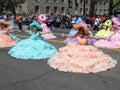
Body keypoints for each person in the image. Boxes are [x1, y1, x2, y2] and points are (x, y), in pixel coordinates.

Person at [47, 23, 117, 73]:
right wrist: (65, 35)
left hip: (86, 48)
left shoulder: (86, 35)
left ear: (83, 30)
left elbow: (95, 37)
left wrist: (103, 37)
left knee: (89, 59)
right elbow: (71, 36)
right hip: (77, 47)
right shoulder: (77, 34)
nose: (80, 31)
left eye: (81, 29)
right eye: (79, 29)